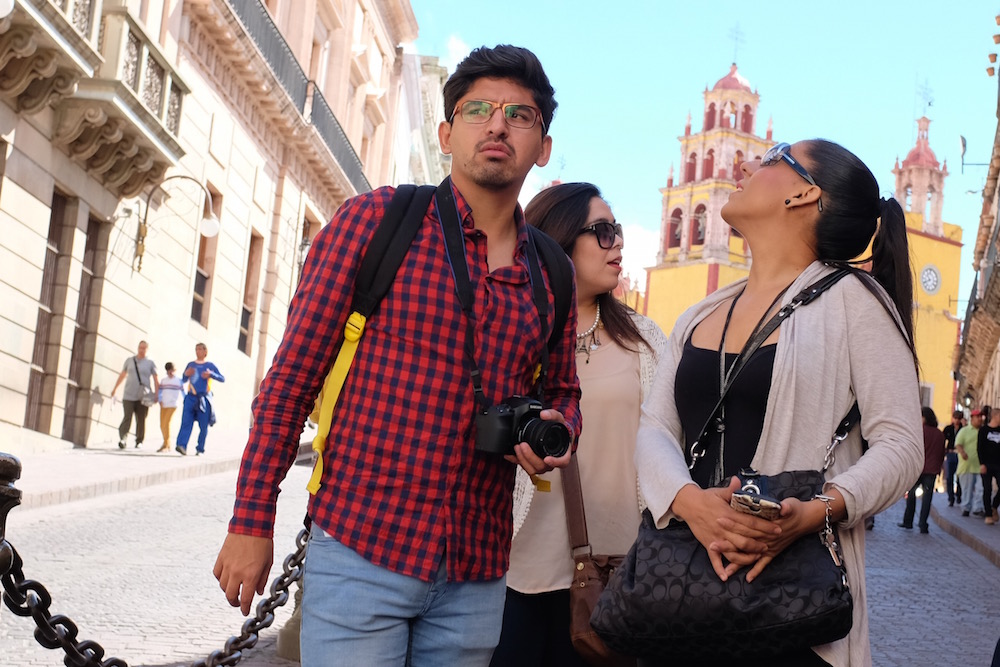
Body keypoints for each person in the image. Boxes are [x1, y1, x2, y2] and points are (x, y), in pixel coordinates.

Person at [213, 45, 581, 666]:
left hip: (478, 569)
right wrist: (252, 519)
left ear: (542, 146)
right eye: (479, 110)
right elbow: (290, 383)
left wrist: (555, 428)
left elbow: (564, 391)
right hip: (362, 549)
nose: (497, 125)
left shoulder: (552, 272)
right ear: (446, 133)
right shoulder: (377, 221)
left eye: (519, 116)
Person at [635, 140, 923, 667]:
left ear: (803, 193)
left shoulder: (856, 302)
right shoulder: (700, 314)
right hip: (684, 591)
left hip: (792, 610)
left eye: (771, 157)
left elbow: (903, 444)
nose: (744, 165)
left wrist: (817, 511)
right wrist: (687, 501)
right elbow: (656, 426)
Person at [492, 183, 667, 665]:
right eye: (603, 231)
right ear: (559, 239)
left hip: (618, 576)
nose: (619, 244)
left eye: (619, 231)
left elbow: (671, 448)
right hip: (516, 569)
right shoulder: (513, 331)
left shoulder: (647, 340)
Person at [897, 407, 945, 533]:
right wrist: (938, 469)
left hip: (918, 468)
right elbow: (941, 453)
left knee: (911, 494)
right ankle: (923, 524)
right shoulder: (939, 434)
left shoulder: (919, 431)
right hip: (932, 470)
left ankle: (908, 521)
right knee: (927, 498)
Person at [175, 343, 224, 456]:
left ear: (205, 352)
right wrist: (185, 374)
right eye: (196, 349)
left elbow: (222, 378)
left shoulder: (210, 366)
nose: (198, 351)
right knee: (186, 422)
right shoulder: (191, 365)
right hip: (191, 397)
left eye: (200, 349)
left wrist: (211, 375)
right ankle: (182, 445)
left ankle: (200, 448)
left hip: (204, 398)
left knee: (203, 425)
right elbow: (183, 379)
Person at [110, 340, 158, 449]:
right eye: (140, 347)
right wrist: (115, 388)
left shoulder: (150, 363)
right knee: (127, 417)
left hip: (143, 396)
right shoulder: (130, 360)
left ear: (147, 349)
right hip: (128, 394)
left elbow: (156, 379)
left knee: (141, 419)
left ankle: (139, 440)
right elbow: (123, 374)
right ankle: (123, 438)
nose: (142, 350)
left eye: (144, 348)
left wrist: (156, 394)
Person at [956, 408, 984, 517]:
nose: (980, 419)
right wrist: (962, 452)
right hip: (967, 465)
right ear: (972, 418)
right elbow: (958, 443)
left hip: (980, 465)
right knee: (967, 489)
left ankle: (978, 508)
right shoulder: (964, 430)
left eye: (981, 417)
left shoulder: (983, 431)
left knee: (981, 488)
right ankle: (966, 507)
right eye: (978, 417)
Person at [977, 406, 1000, 525]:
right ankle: (988, 515)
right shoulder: (984, 430)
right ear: (995, 416)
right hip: (986, 464)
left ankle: (994, 506)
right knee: (987, 489)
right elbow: (979, 448)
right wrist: (982, 464)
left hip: (998, 464)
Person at [157, 362, 184, 452]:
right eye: (169, 371)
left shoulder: (179, 380)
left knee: (166, 423)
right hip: (164, 404)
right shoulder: (164, 380)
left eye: (172, 370)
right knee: (162, 425)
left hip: (173, 404)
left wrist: (186, 401)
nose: (171, 372)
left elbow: (184, 393)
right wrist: (160, 400)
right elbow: (160, 391)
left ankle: (166, 444)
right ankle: (166, 443)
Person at [943, 410, 964, 506]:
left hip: (959, 454)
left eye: (959, 418)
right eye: (955, 418)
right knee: (949, 476)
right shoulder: (948, 428)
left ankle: (958, 495)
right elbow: (943, 440)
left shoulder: (963, 429)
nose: (957, 420)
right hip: (950, 453)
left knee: (960, 476)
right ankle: (950, 497)